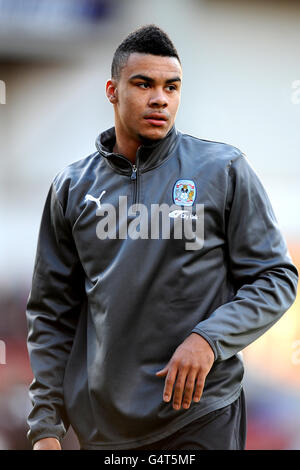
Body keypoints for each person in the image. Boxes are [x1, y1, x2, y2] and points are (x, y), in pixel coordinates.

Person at [26, 24, 298, 451]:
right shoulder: (71, 187)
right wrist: (45, 425)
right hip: (104, 429)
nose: (160, 98)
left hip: (201, 415)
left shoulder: (223, 170)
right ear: (112, 91)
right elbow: (51, 312)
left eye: (172, 87)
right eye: (143, 84)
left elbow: (277, 278)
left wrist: (209, 339)